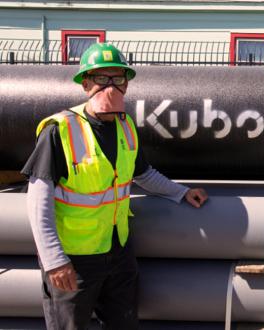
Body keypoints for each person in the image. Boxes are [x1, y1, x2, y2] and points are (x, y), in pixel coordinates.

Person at [21, 42, 209, 329]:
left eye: (117, 78)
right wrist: (54, 260)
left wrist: (181, 192)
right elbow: (38, 201)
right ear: (86, 84)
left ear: (126, 85)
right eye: (101, 78)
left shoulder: (125, 126)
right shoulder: (59, 131)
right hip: (74, 260)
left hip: (118, 253)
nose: (110, 86)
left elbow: (143, 174)